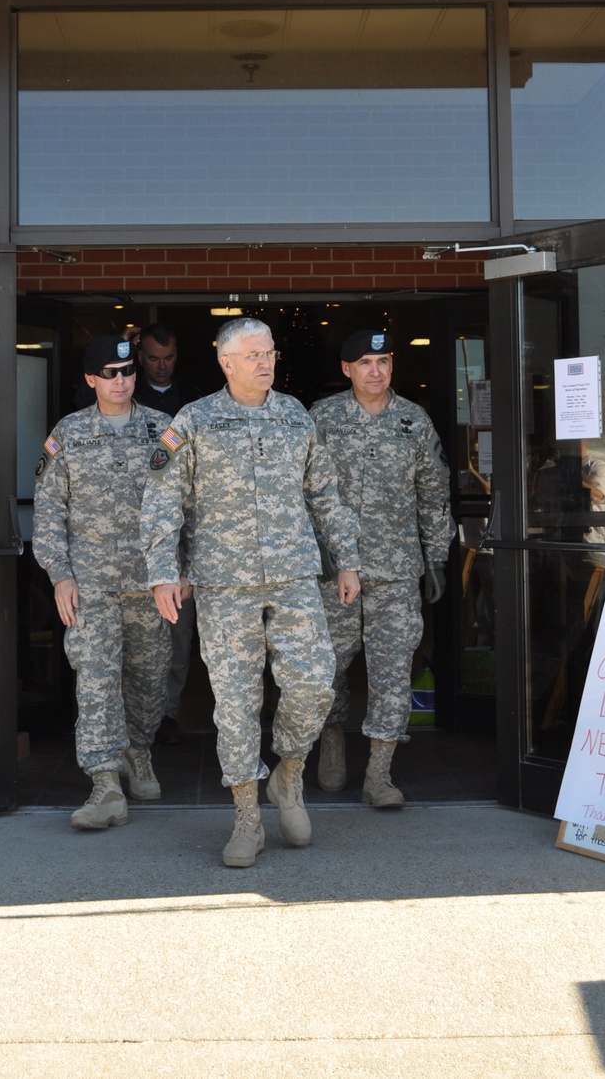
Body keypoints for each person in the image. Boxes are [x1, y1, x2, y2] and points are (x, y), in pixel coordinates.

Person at [141, 316, 360, 868]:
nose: (266, 362)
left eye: (270, 353)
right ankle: (245, 816)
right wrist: (163, 571)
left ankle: (288, 775)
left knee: (313, 684)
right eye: (254, 354)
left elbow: (325, 493)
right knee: (236, 704)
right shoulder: (193, 421)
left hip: (294, 577)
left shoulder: (294, 415)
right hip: (223, 582)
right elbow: (163, 501)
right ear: (226, 362)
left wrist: (346, 561)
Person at [32, 335, 179, 831]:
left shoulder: (164, 429)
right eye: (111, 374)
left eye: (128, 372)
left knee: (149, 679)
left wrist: (182, 572)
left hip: (150, 583)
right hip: (89, 583)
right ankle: (104, 783)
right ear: (91, 379)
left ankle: (139, 751)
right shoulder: (68, 434)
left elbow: (188, 506)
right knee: (96, 679)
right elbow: (49, 510)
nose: (122, 381)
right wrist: (59, 575)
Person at [310, 330, 455, 808]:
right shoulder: (323, 418)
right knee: (329, 663)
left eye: (384, 361)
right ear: (346, 369)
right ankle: (332, 740)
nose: (376, 371)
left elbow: (433, 493)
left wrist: (436, 556)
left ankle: (379, 771)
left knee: (393, 668)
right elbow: (300, 491)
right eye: (365, 362)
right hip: (336, 570)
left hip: (396, 568)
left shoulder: (414, 421)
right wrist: (315, 551)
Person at [132, 324, 203, 745]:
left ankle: (168, 715)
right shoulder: (119, 387)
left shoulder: (194, 400)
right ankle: (134, 727)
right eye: (153, 358)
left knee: (178, 639)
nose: (161, 367)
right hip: (123, 549)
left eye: (169, 358)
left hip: (177, 545)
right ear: (140, 356)